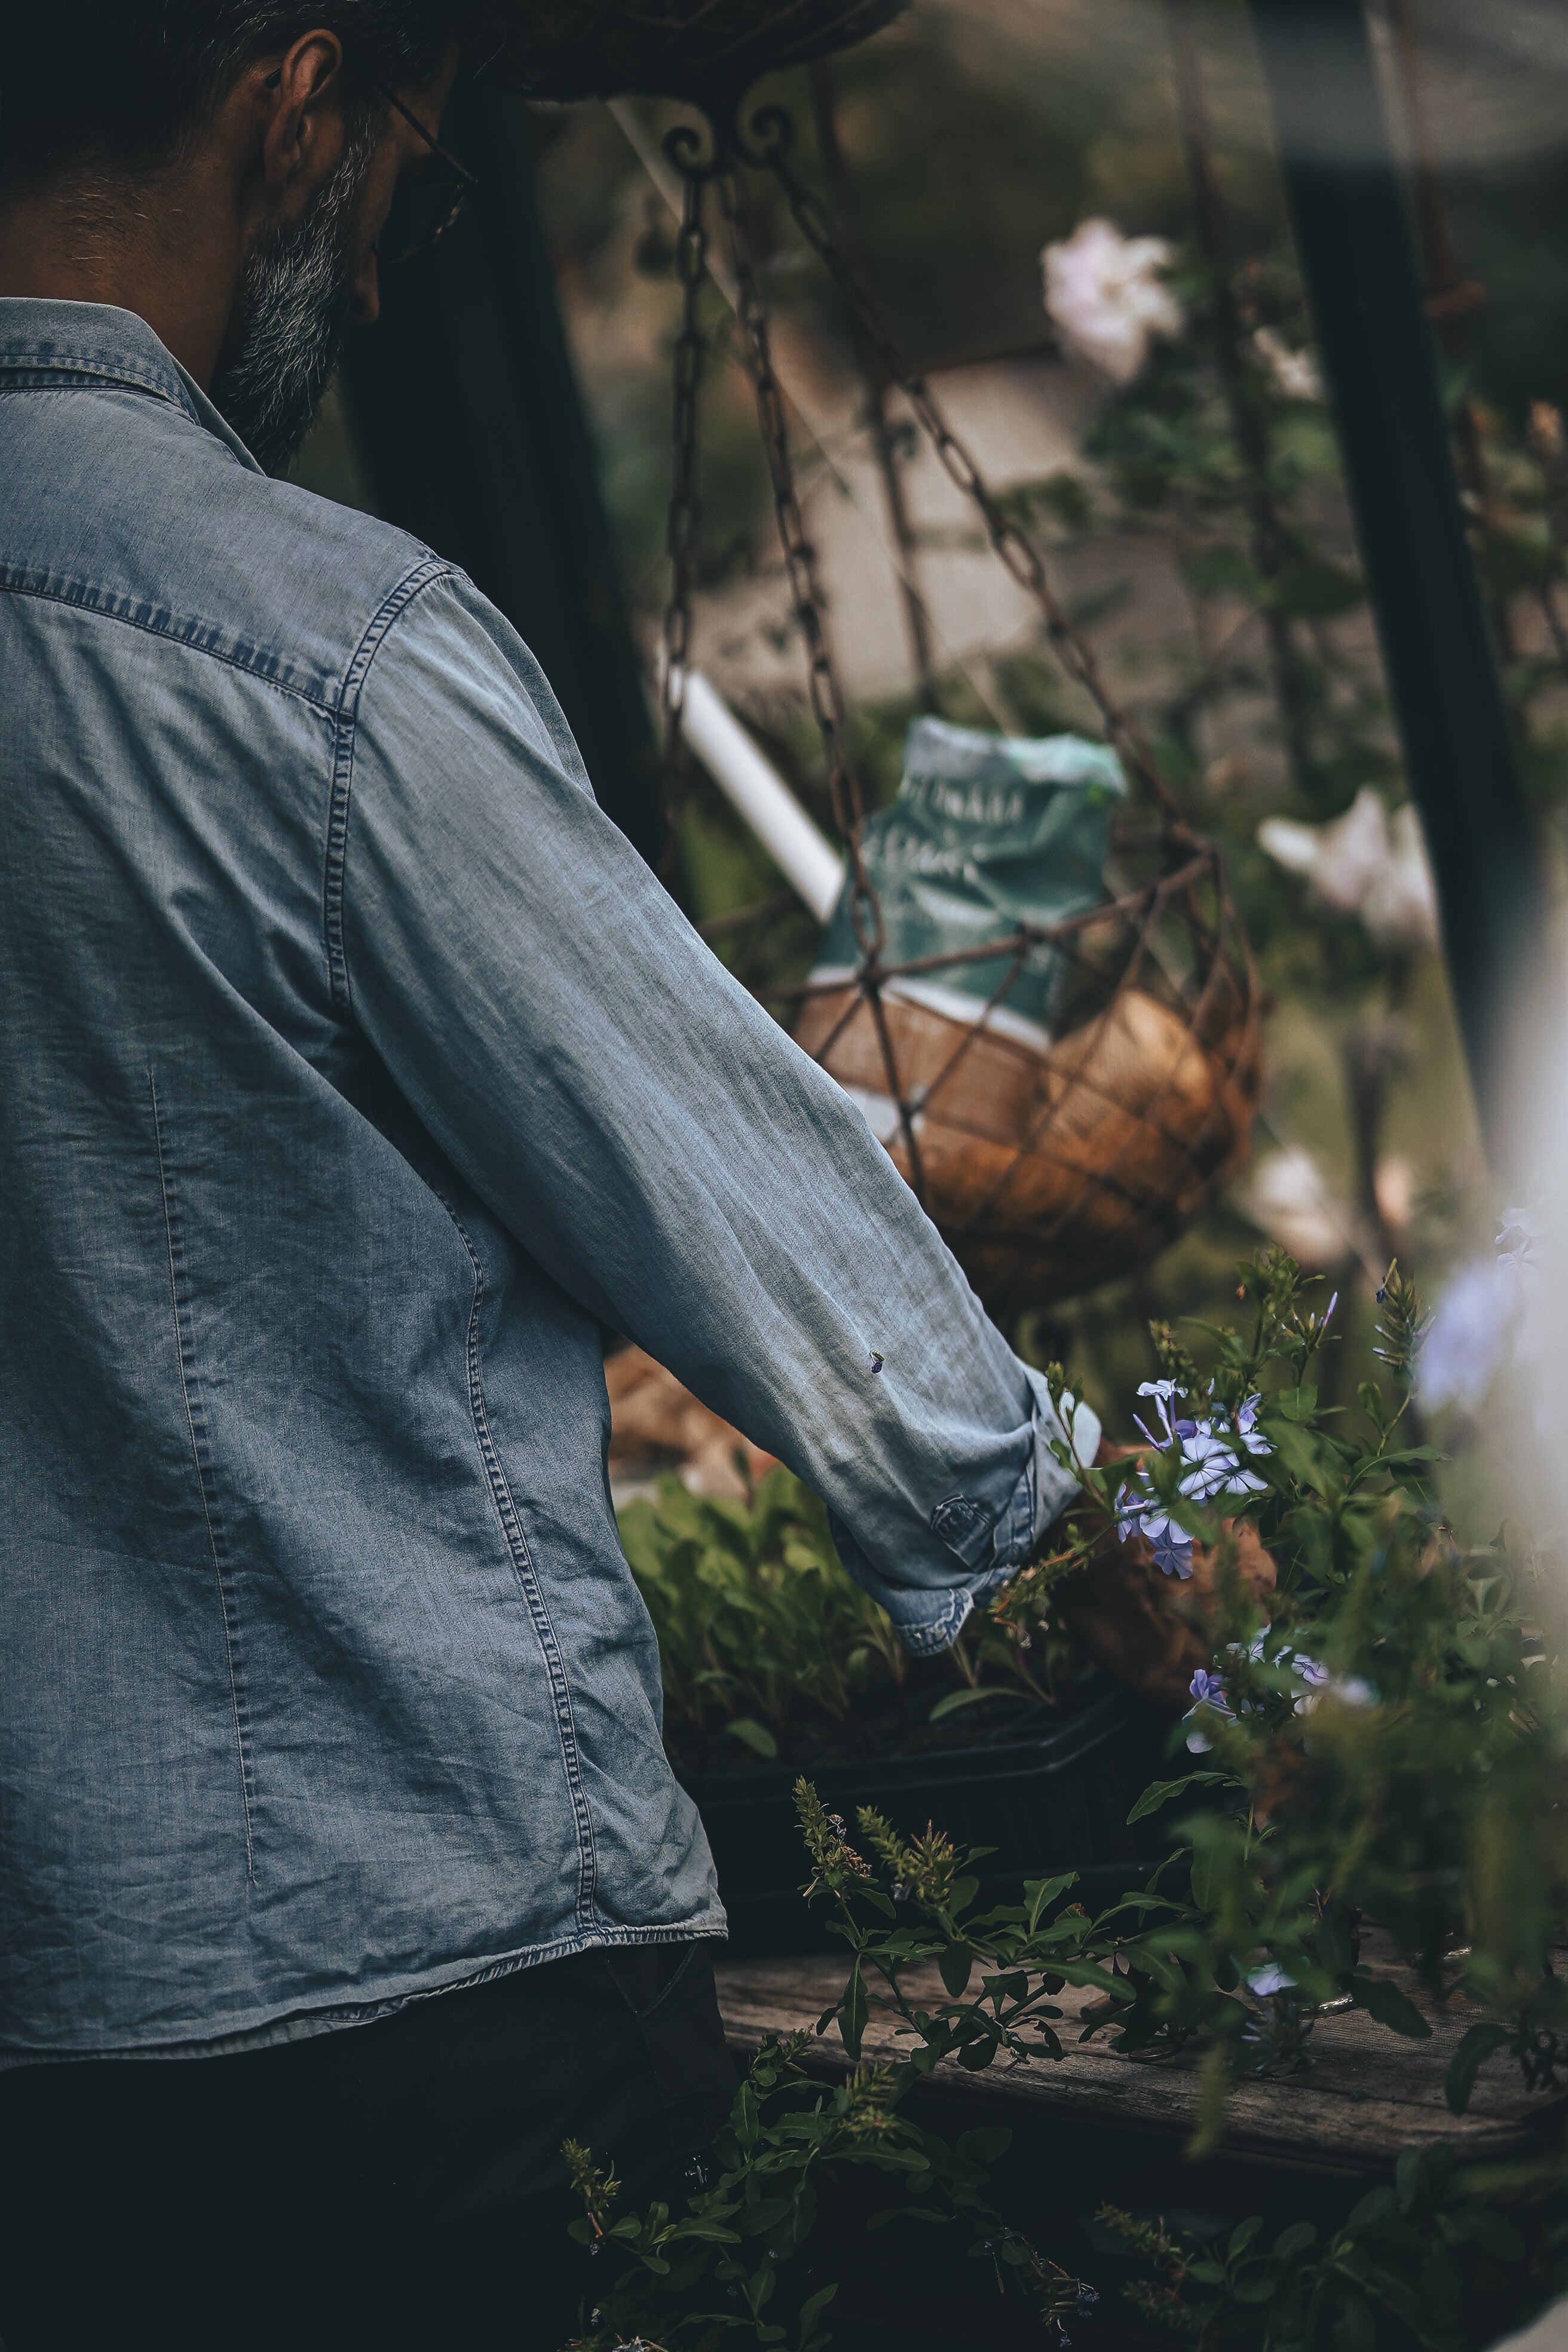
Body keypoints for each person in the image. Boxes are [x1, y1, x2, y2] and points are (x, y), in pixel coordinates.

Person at [0, 6, 1088, 2344]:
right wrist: (1092, 1560)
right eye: (408, 164)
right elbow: (762, 1218)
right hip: (415, 2014)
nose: (387, 263)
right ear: (289, 107)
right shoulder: (299, 644)